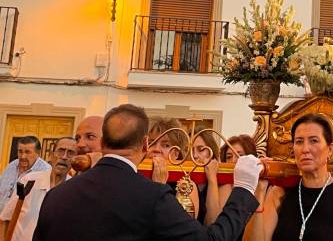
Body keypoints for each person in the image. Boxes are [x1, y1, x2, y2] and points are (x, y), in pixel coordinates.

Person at [32, 103, 262, 240]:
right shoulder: (152, 197)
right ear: (144, 145)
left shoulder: (57, 195)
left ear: (102, 143)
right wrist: (244, 188)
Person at [250, 113, 333, 241]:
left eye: (314, 141)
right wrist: (259, 191)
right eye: (299, 142)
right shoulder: (278, 194)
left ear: (330, 149)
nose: (305, 149)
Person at [0, 137, 76, 241]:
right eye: (61, 151)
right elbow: (5, 218)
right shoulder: (29, 180)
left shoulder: (75, 190)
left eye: (70, 153)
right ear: (51, 155)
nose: (64, 157)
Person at [147, 117, 201, 218]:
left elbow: (180, 225)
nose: (156, 149)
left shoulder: (185, 185)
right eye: (151, 143)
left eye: (166, 145)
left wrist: (159, 187)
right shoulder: (136, 176)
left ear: (176, 154)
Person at [0, 137, 50, 214]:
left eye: (27, 152)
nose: (23, 156)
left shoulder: (45, 171)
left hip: (21, 219)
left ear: (38, 153)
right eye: (20, 151)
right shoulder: (12, 165)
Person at [190, 128, 223, 225]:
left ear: (211, 152)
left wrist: (212, 180)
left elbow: (212, 224)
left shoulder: (222, 184)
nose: (194, 156)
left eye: (201, 150)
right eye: (189, 150)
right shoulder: (179, 181)